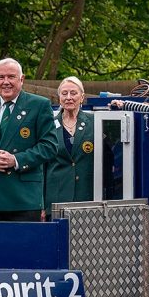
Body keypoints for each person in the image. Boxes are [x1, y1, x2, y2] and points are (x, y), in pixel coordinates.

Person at [0, 57, 59, 221]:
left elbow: (49, 146)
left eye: (11, 77)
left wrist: (15, 160)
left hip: (25, 199)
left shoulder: (39, 105)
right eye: (1, 77)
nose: (6, 82)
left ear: (21, 79)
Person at [44, 76, 95, 220]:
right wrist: (41, 204)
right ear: (59, 97)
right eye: (64, 93)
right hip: (56, 199)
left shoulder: (95, 123)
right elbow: (42, 166)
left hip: (86, 198)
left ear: (82, 96)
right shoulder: (48, 125)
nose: (68, 97)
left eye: (73, 93)